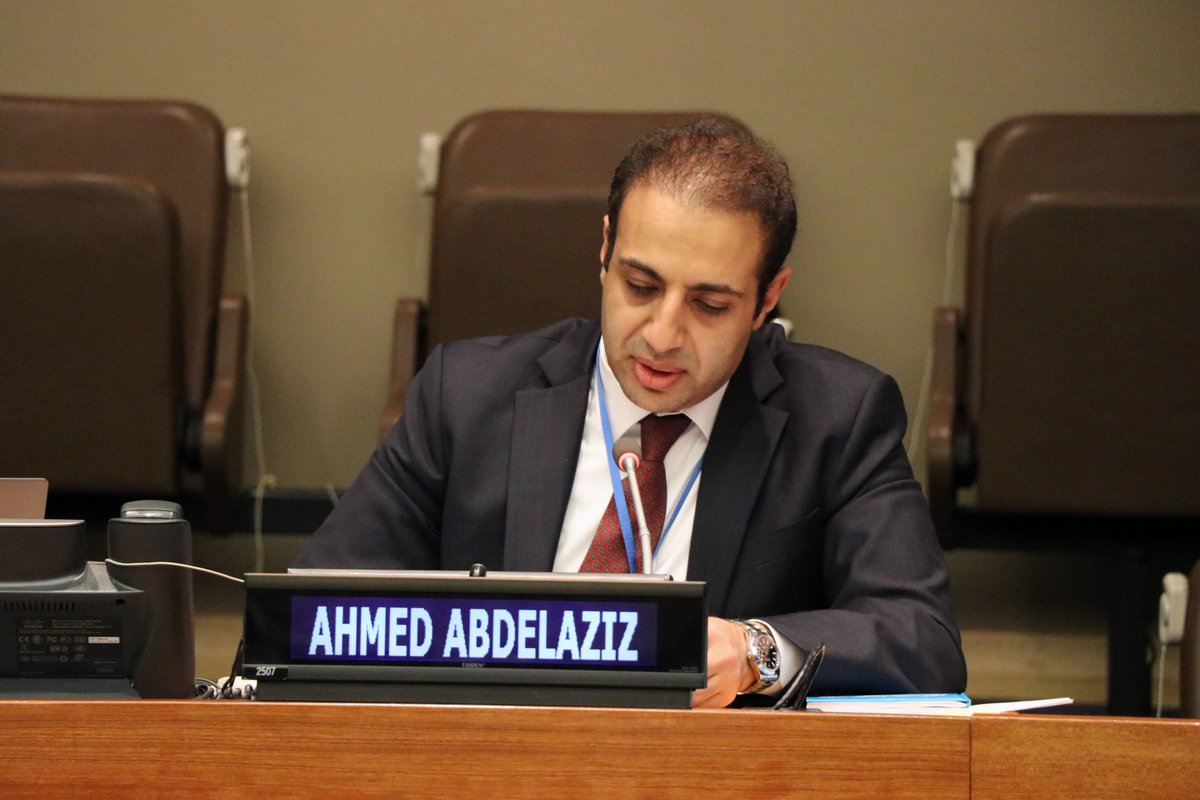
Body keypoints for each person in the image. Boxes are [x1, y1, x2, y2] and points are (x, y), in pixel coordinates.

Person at [295, 116, 966, 707]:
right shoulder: (466, 394)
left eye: (709, 305)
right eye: (640, 285)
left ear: (768, 299)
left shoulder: (838, 417)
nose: (663, 335)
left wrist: (754, 652)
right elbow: (309, 615)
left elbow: (923, 638)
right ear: (605, 249)